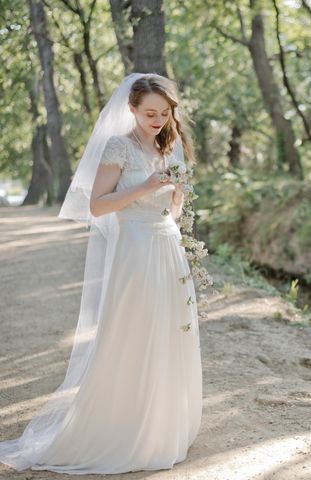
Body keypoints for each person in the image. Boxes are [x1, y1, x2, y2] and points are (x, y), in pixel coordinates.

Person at [0, 73, 203, 474]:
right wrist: (147, 185)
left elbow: (172, 214)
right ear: (131, 109)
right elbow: (98, 206)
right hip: (135, 251)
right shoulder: (118, 147)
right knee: (134, 333)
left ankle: (163, 427)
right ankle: (125, 429)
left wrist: (176, 197)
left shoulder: (170, 146)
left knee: (168, 332)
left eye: (164, 113)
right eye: (150, 113)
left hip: (167, 249)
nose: (158, 120)